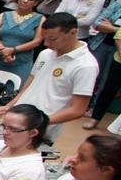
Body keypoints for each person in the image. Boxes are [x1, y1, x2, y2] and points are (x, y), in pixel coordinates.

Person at [5, 12, 98, 143]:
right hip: (18, 118)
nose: (47, 43)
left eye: (53, 39)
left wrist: (41, 122)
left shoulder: (86, 65)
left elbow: (78, 109)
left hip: (39, 129)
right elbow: (30, 84)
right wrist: (10, 105)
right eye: (45, 38)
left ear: (73, 32)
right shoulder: (45, 54)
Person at [0, 0, 45, 81]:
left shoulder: (41, 19)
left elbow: (37, 42)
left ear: (35, 3)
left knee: (14, 89)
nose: (25, 1)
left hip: (21, 61)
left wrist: (12, 50)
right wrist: (3, 50)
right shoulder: (4, 15)